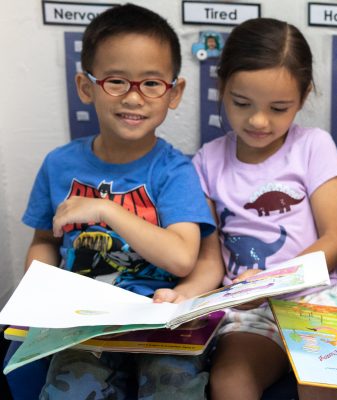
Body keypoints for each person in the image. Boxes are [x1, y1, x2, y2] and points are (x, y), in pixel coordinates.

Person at [20, 4, 216, 399]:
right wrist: (38, 287)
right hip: (84, 323)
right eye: (116, 81)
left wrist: (107, 209)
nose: (134, 97)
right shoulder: (59, 165)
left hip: (159, 320)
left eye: (151, 83)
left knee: (174, 389)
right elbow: (45, 240)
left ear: (173, 92)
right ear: (85, 87)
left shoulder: (174, 171)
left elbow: (181, 258)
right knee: (67, 392)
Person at [154, 17, 337, 400]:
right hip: (247, 307)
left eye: (279, 108)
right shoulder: (207, 161)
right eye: (242, 103)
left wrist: (271, 280)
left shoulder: (313, 145)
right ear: (221, 87)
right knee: (229, 381)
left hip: (317, 295)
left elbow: (336, 237)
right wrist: (185, 296)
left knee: (321, 379)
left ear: (303, 95)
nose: (259, 120)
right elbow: (210, 259)